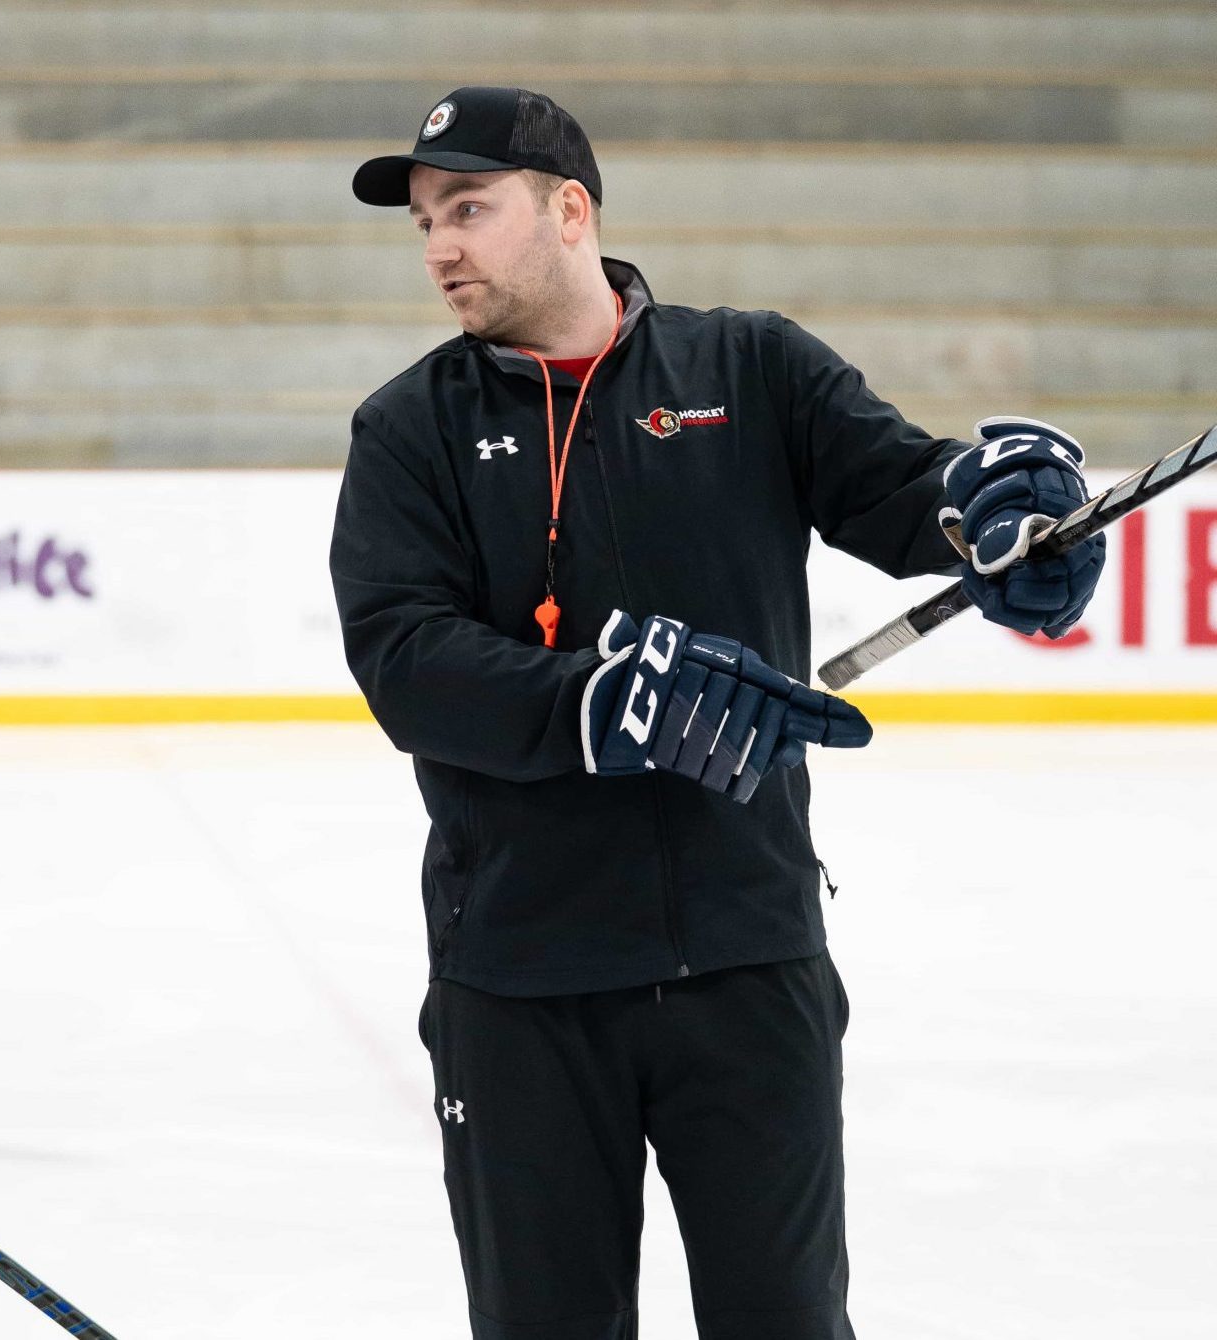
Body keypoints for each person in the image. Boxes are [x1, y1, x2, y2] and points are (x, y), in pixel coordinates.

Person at [331, 87, 1105, 1340]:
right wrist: (600, 698)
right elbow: (405, 660)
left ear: (568, 209)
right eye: (423, 221)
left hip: (746, 962)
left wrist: (997, 522)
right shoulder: (408, 428)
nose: (438, 249)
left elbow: (909, 491)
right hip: (520, 984)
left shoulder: (748, 367)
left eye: (466, 209)